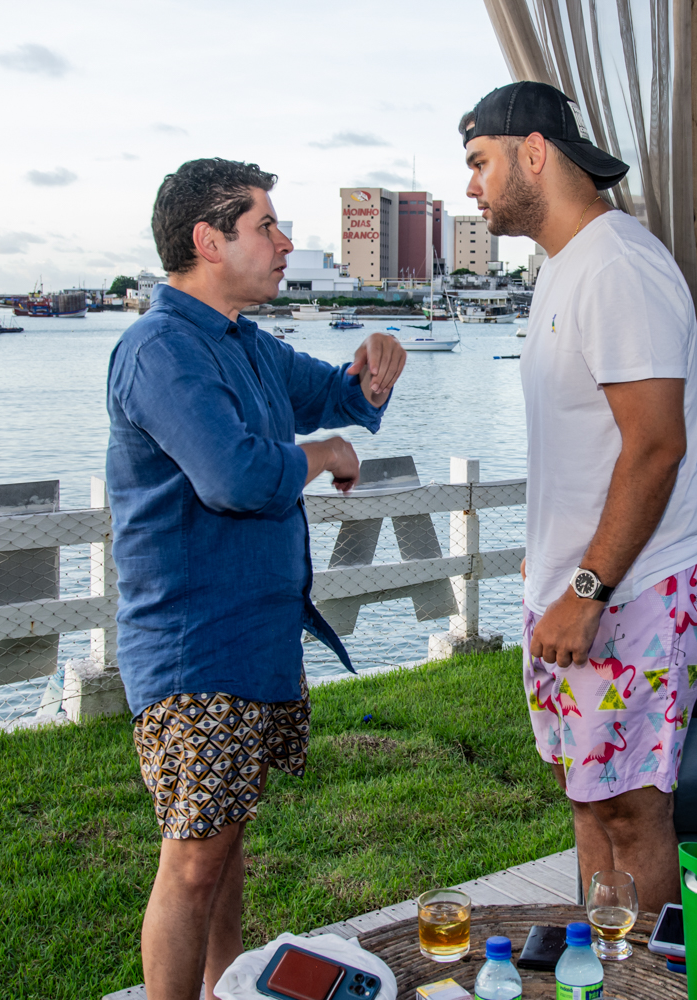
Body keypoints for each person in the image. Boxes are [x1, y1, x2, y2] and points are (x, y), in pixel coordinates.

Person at [106, 158, 407, 1000]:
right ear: (209, 241)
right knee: (194, 861)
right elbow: (234, 476)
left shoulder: (245, 344)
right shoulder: (159, 349)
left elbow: (338, 393)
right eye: (266, 226)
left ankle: (225, 988)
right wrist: (326, 452)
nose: (284, 242)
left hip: (253, 643)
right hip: (193, 648)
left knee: (226, 847)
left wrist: (378, 360)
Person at [459, 82, 697, 913]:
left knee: (629, 809)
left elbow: (656, 446)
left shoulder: (617, 266)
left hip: (633, 586)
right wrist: (552, 569)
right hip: (584, 585)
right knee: (589, 799)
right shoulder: (565, 267)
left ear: (534, 153)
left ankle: (648, 972)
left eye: (480, 162)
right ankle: (606, 966)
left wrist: (586, 589)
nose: (471, 187)